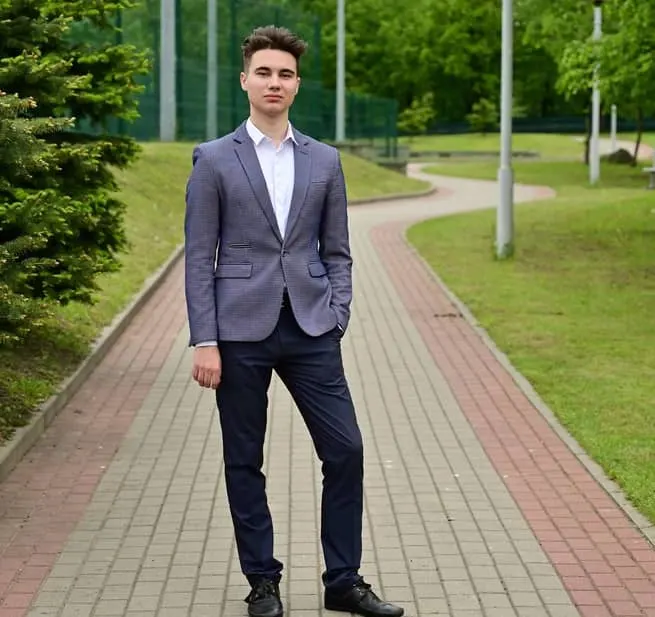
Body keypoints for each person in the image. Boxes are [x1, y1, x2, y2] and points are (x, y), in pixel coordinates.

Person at [184, 25, 404, 617]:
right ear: (245, 80)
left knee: (347, 451)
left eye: (284, 74)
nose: (273, 82)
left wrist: (338, 312)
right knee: (243, 459)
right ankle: (263, 582)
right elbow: (199, 257)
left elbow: (338, 250)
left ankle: (343, 580)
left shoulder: (325, 161)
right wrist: (205, 340)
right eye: (264, 72)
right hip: (236, 334)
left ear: (296, 84)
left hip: (311, 329)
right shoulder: (213, 159)